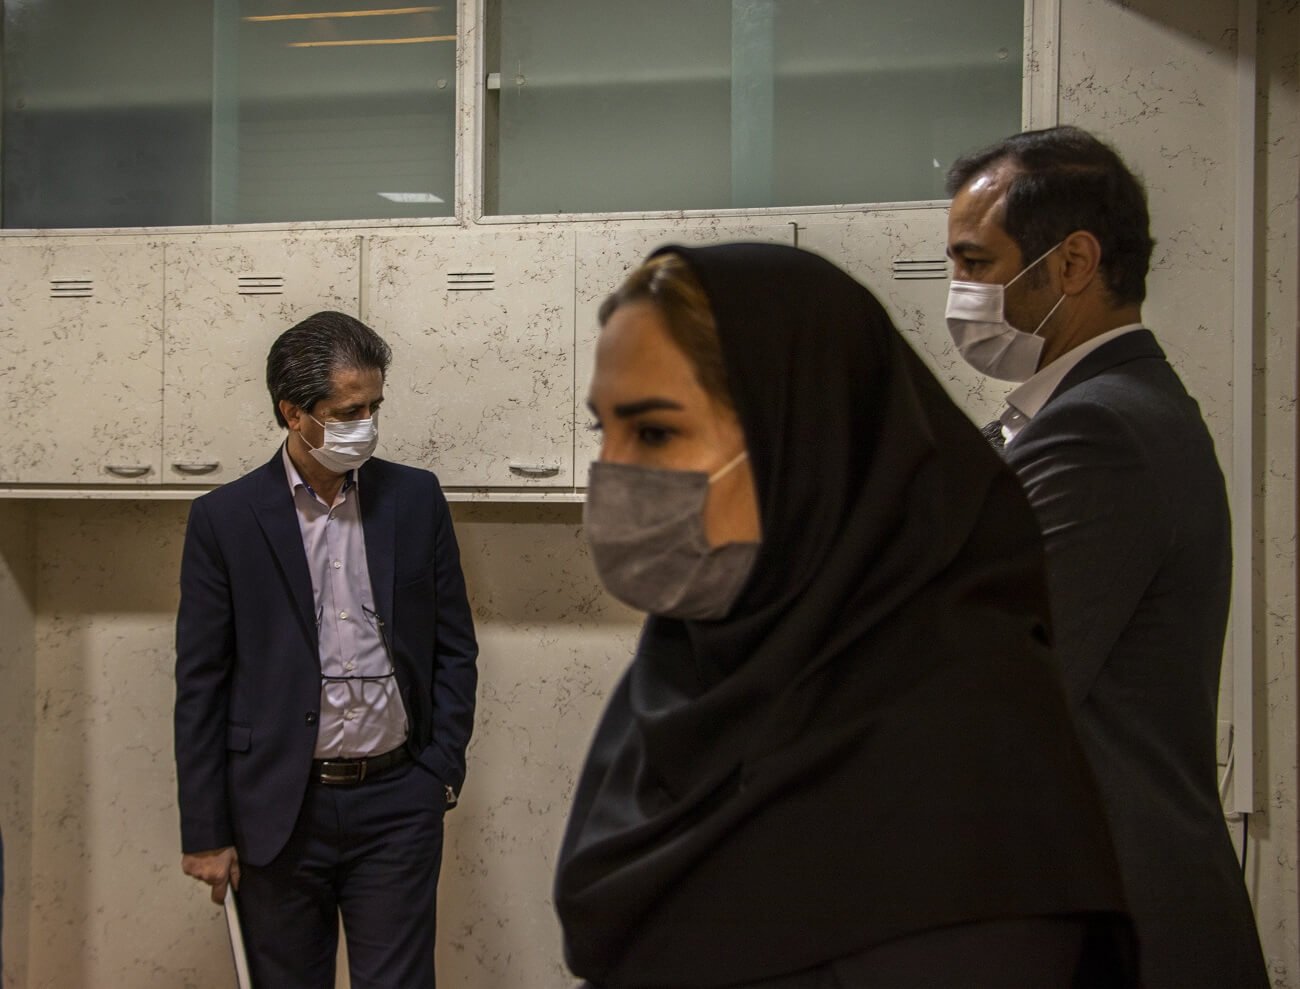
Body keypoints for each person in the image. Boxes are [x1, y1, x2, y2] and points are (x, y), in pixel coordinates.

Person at [555, 243, 1137, 988]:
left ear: (805, 439)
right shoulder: (679, 677)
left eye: (655, 432)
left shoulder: (970, 745)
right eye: (602, 430)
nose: (611, 474)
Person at [944, 125, 1268, 988]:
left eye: (976, 262)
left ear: (1074, 263)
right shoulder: (1095, 413)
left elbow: (988, 688)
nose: (959, 292)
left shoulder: (1098, 430)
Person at [173, 311, 478, 988]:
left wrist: (439, 770)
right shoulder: (225, 519)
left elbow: (455, 646)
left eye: (374, 407)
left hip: (398, 801)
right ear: (294, 413)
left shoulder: (416, 498)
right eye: (348, 411)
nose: (366, 424)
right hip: (278, 808)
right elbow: (201, 682)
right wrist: (206, 829)